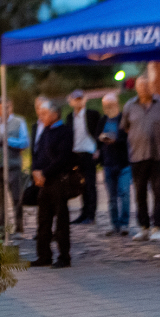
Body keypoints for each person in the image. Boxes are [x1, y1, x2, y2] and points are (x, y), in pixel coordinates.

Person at [121, 75, 160, 241]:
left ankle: (157, 226)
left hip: (158, 156)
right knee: (139, 192)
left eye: (146, 86)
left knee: (158, 192)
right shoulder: (130, 106)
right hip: (138, 156)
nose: (143, 89)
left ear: (152, 86)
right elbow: (125, 127)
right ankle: (144, 227)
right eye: (140, 86)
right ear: (136, 88)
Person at [31, 100, 73, 268]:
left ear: (55, 114)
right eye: (40, 114)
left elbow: (62, 158)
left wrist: (44, 172)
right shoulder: (45, 132)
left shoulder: (64, 132)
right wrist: (35, 171)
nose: (41, 117)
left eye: (44, 114)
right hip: (43, 183)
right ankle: (44, 255)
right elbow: (37, 153)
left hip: (57, 181)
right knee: (43, 220)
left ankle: (64, 256)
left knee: (61, 220)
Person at [0, 98, 29, 236]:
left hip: (13, 165)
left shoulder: (19, 122)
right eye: (2, 107)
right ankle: (1, 229)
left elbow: (25, 141)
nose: (5, 110)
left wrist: (9, 141)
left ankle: (19, 227)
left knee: (16, 197)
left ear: (11, 107)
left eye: (8, 107)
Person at [64, 89, 100, 225]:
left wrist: (98, 149)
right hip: (75, 154)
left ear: (84, 100)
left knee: (90, 185)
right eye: (75, 99)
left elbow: (99, 132)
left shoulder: (92, 115)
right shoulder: (69, 117)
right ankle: (83, 213)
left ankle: (91, 214)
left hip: (89, 152)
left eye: (80, 99)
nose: (78, 101)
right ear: (71, 101)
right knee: (80, 185)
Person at [98, 93, 131, 237]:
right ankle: (114, 224)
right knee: (111, 197)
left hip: (123, 162)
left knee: (124, 194)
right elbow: (96, 135)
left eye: (110, 105)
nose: (107, 108)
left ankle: (124, 224)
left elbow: (128, 138)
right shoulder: (103, 120)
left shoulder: (123, 119)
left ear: (116, 104)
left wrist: (115, 140)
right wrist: (101, 138)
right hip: (108, 163)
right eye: (105, 106)